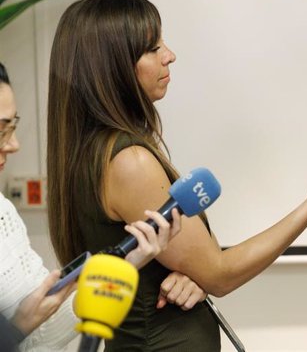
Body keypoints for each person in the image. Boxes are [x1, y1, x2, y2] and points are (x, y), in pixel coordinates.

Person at [46, 0, 307, 351]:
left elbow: (199, 267)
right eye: (153, 48)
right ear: (113, 67)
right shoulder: (129, 162)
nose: (169, 55)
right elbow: (221, 273)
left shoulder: (93, 152)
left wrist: (194, 274)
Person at [0, 61, 184, 351]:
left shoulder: (3, 214)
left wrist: (124, 265)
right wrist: (16, 328)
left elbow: (38, 336)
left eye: (13, 126)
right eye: (1, 130)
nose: (13, 145)